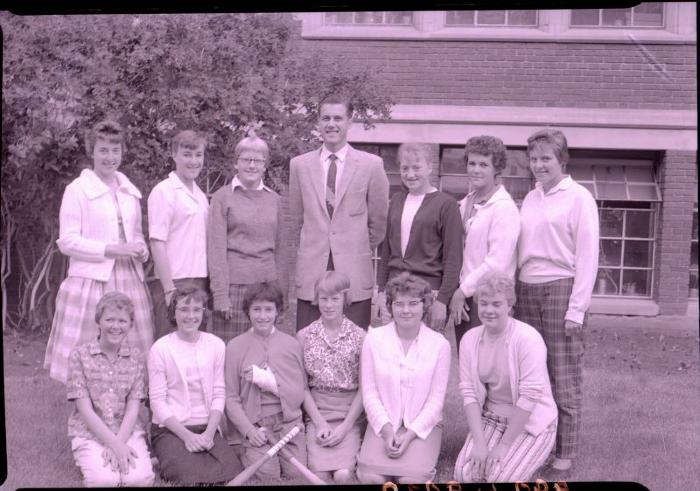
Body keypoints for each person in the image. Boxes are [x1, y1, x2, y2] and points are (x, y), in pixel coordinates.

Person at [515, 128, 599, 477]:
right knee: (530, 374)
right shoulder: (531, 198)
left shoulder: (579, 197)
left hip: (561, 290)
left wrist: (576, 310)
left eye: (546, 158)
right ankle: (536, 444)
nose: (539, 165)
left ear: (562, 159)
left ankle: (565, 455)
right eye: (534, 159)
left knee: (563, 375)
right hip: (525, 290)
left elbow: (588, 256)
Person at [45, 119, 154, 384]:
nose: (110, 157)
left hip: (129, 279)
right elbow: (67, 241)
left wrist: (142, 251)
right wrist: (110, 250)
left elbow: (136, 234)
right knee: (89, 362)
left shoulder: (129, 191)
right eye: (103, 150)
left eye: (115, 150)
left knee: (130, 360)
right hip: (91, 282)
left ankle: (125, 414)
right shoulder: (77, 190)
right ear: (91, 151)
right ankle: (88, 416)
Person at [289, 93, 389, 330]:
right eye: (325, 118)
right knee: (309, 349)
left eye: (338, 118)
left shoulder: (370, 165)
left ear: (349, 120)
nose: (331, 124)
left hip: (353, 275)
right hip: (313, 273)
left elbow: (379, 222)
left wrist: (354, 245)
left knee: (353, 352)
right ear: (318, 122)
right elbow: (296, 220)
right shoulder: (299, 165)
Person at [454, 272, 557, 482]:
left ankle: (530, 459)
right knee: (464, 475)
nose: (489, 310)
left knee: (500, 479)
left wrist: (503, 446)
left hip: (531, 421)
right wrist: (480, 443)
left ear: (510, 305)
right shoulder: (469, 340)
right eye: (483, 304)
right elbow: (469, 394)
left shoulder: (528, 339)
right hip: (491, 418)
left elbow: (530, 397)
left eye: (496, 304)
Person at [357, 272, 450, 484]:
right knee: (372, 478)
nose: (406, 310)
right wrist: (387, 430)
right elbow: (370, 393)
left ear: (424, 305)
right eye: (399, 304)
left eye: (413, 303)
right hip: (383, 422)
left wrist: (409, 436)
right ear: (390, 307)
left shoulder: (440, 345)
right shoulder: (374, 339)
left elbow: (436, 402)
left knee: (411, 480)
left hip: (422, 426)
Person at [147, 286, 242, 485]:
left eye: (196, 310)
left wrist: (209, 432)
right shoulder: (161, 348)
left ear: (204, 312)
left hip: (206, 425)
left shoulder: (215, 344)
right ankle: (165, 454)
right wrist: (187, 436)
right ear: (173, 312)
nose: (190, 316)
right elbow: (157, 402)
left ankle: (176, 455)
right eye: (184, 309)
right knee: (188, 477)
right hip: (171, 427)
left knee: (232, 472)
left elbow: (218, 392)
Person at [66, 292, 155, 487]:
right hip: (90, 431)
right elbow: (84, 410)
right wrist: (115, 445)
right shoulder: (80, 355)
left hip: (126, 431)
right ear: (98, 321)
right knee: (104, 481)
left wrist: (120, 443)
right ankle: (88, 456)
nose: (116, 326)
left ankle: (130, 458)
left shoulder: (136, 357)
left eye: (122, 321)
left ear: (131, 325)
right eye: (109, 320)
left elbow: (133, 409)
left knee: (139, 479)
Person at [224, 282, 308, 480]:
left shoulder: (291, 345)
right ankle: (249, 452)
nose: (263, 316)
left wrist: (269, 381)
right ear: (248, 312)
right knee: (268, 475)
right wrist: (249, 431)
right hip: (258, 428)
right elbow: (231, 398)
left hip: (289, 426)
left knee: (296, 474)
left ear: (278, 311)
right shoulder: (235, 347)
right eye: (256, 309)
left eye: (268, 309)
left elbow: (299, 392)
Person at [377, 142, 463, 334]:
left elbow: (453, 258)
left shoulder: (446, 204)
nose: (410, 174)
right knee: (393, 354)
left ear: (430, 168)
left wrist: (442, 300)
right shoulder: (397, 201)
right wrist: (381, 291)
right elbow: (386, 252)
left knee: (424, 356)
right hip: (395, 291)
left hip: (428, 293)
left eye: (417, 168)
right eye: (404, 168)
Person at [208, 133, 282, 344]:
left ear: (264, 165)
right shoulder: (222, 197)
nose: (251, 165)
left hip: (267, 287)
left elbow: (282, 250)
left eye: (257, 161)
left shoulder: (274, 200)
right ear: (236, 163)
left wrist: (280, 293)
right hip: (234, 289)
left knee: (263, 353)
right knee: (232, 354)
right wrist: (221, 295)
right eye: (246, 160)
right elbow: (216, 250)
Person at [448, 135, 520, 350]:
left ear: (496, 169)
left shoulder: (503, 208)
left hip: (491, 298)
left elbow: (496, 262)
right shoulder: (466, 203)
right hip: (466, 299)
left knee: (489, 367)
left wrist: (462, 292)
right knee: (469, 365)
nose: (476, 170)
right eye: (472, 163)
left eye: (483, 165)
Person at [297, 271, 366, 483]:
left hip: (349, 414)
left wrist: (345, 426)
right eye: (324, 299)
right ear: (317, 300)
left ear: (345, 300)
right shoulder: (304, 336)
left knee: (343, 475)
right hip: (318, 412)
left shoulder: (360, 336)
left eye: (335, 299)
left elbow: (365, 390)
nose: (328, 305)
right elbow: (302, 388)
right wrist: (319, 423)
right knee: (318, 475)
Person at [148, 130, 209, 340]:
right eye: (187, 154)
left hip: (199, 281)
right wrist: (168, 291)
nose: (194, 161)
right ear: (174, 155)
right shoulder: (164, 191)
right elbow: (157, 242)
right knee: (170, 345)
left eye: (198, 155)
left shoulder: (200, 196)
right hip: (174, 281)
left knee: (194, 348)